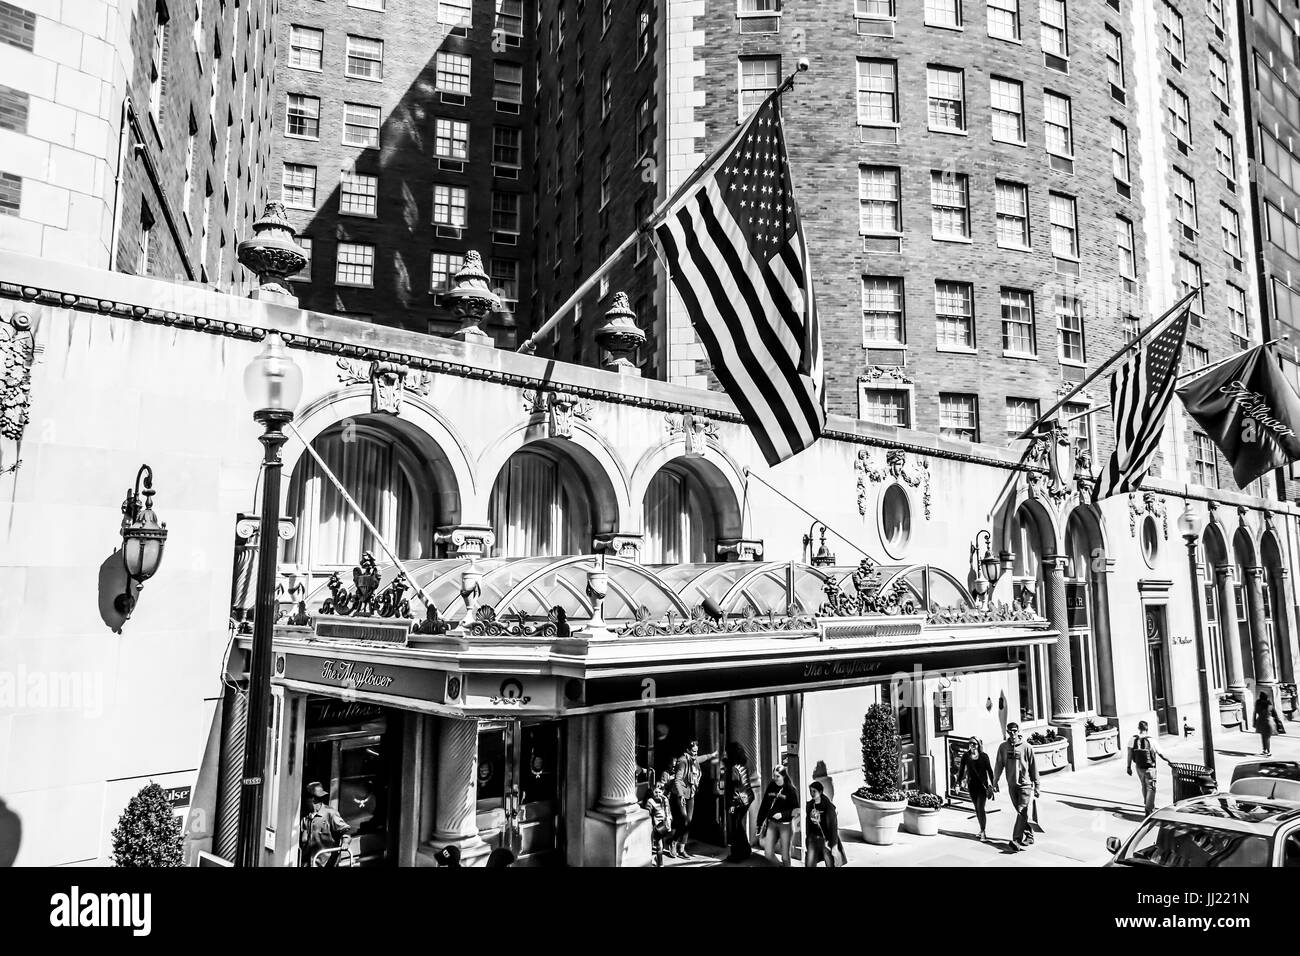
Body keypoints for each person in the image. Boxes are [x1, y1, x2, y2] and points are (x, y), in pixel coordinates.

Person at [992, 723, 1039, 851]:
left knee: (1021, 811)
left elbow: (1034, 767)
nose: (1012, 734)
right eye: (1009, 731)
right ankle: (1029, 836)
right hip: (1011, 785)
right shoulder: (1003, 747)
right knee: (1021, 813)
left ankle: (1016, 840)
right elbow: (998, 765)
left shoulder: (1027, 747)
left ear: (1018, 731)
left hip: (1025, 785)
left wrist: (1037, 785)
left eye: (1014, 731)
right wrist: (994, 782)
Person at [671, 739, 718, 859]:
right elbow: (678, 779)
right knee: (685, 821)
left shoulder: (694, 759)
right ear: (687, 750)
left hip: (690, 794)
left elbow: (701, 758)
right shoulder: (682, 761)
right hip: (681, 794)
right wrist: (681, 795)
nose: (695, 754)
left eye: (696, 751)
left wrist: (712, 755)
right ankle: (673, 842)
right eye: (693, 751)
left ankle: (682, 848)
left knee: (688, 822)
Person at [299, 781, 352, 867]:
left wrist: (345, 842)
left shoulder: (330, 813)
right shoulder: (305, 819)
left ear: (312, 799)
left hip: (327, 864)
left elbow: (345, 831)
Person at [1126, 719, 1172, 817]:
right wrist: (1170, 761)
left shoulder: (1132, 739)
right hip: (1150, 768)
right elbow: (1161, 754)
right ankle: (1149, 809)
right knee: (1151, 788)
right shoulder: (1151, 740)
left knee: (1143, 785)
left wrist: (1128, 767)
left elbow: (1129, 754)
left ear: (1138, 728)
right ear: (1147, 728)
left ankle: (1147, 804)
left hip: (1139, 767)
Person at [955, 738, 996, 841]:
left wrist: (994, 784)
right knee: (977, 809)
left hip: (982, 787)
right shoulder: (966, 756)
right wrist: (958, 784)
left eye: (974, 743)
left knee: (981, 808)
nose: (972, 745)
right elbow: (961, 771)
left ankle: (983, 832)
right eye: (970, 743)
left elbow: (990, 771)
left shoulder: (984, 756)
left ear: (978, 744)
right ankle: (981, 829)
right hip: (972, 786)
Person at [756, 766, 798, 866]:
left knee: (785, 857)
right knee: (768, 854)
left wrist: (782, 815)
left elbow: (796, 810)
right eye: (774, 775)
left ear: (783, 776)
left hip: (785, 825)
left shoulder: (790, 790)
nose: (775, 778)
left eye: (777, 776)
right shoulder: (771, 785)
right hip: (772, 823)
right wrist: (759, 823)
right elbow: (764, 805)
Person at [723, 741, 755, 863]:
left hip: (739, 800)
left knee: (735, 828)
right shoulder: (742, 765)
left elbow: (735, 788)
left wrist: (732, 804)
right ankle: (745, 850)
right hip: (748, 797)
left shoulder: (733, 769)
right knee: (739, 826)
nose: (725, 753)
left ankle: (737, 854)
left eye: (727, 751)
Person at [804, 781, 838, 867]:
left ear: (820, 792)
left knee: (829, 863)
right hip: (813, 838)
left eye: (814, 791)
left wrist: (834, 845)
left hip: (825, 840)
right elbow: (808, 824)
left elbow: (833, 826)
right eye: (810, 791)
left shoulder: (827, 806)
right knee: (809, 863)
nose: (812, 793)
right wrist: (808, 839)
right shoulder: (810, 805)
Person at [644, 777, 675, 866]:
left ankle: (661, 857)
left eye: (660, 792)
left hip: (666, 824)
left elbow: (668, 811)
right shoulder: (650, 801)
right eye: (656, 792)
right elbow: (647, 814)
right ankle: (660, 862)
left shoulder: (665, 800)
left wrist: (669, 818)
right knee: (659, 844)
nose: (658, 794)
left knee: (665, 840)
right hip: (657, 826)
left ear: (663, 792)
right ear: (653, 792)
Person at [1253, 691, 1286, 756]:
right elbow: (1274, 713)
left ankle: (1264, 750)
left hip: (1260, 721)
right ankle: (1268, 751)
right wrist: (1278, 721)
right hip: (1268, 721)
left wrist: (1254, 721)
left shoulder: (1258, 703)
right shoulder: (1268, 704)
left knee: (1263, 736)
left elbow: (1255, 712)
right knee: (1267, 737)